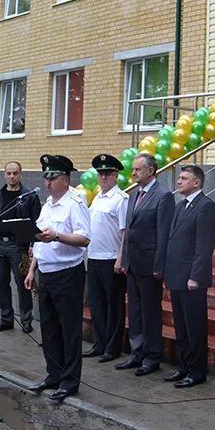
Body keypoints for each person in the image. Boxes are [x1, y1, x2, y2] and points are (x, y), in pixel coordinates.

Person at [24, 155, 91, 403]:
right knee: (49, 329)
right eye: (46, 177)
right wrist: (32, 270)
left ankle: (70, 381)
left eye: (52, 178)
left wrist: (57, 236)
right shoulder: (47, 205)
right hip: (46, 273)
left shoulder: (76, 203)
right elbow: (39, 243)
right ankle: (53, 375)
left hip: (68, 274)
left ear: (65, 178)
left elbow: (84, 239)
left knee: (69, 330)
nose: (47, 182)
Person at [116, 153, 175, 376]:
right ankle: (136, 352)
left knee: (151, 312)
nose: (133, 173)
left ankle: (152, 356)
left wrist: (160, 266)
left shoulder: (163, 196)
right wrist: (124, 258)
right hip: (133, 263)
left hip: (150, 265)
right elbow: (129, 230)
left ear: (151, 171)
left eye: (138, 169)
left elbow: (163, 233)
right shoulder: (133, 195)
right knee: (136, 310)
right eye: (133, 169)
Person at [160, 165, 215, 388]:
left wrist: (195, 276)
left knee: (195, 327)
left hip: (192, 279)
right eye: (179, 178)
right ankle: (183, 366)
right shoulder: (180, 206)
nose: (178, 181)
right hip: (176, 275)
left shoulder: (205, 206)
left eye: (184, 178)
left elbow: (204, 246)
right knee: (181, 326)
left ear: (197, 183)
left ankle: (197, 371)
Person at [0, 161, 41, 334]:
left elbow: (37, 222)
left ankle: (26, 320)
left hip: (19, 246)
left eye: (15, 173)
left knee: (22, 284)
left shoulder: (29, 196)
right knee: (1, 283)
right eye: (8, 173)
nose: (12, 176)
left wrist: (33, 244)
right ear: (4, 174)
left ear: (21, 174)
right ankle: (6, 319)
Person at [84, 154, 129, 363]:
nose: (103, 178)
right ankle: (100, 343)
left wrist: (121, 258)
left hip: (111, 258)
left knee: (114, 305)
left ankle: (113, 347)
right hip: (94, 257)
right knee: (97, 304)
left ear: (116, 175)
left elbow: (124, 233)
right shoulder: (97, 199)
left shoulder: (121, 199)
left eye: (107, 174)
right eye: (100, 174)